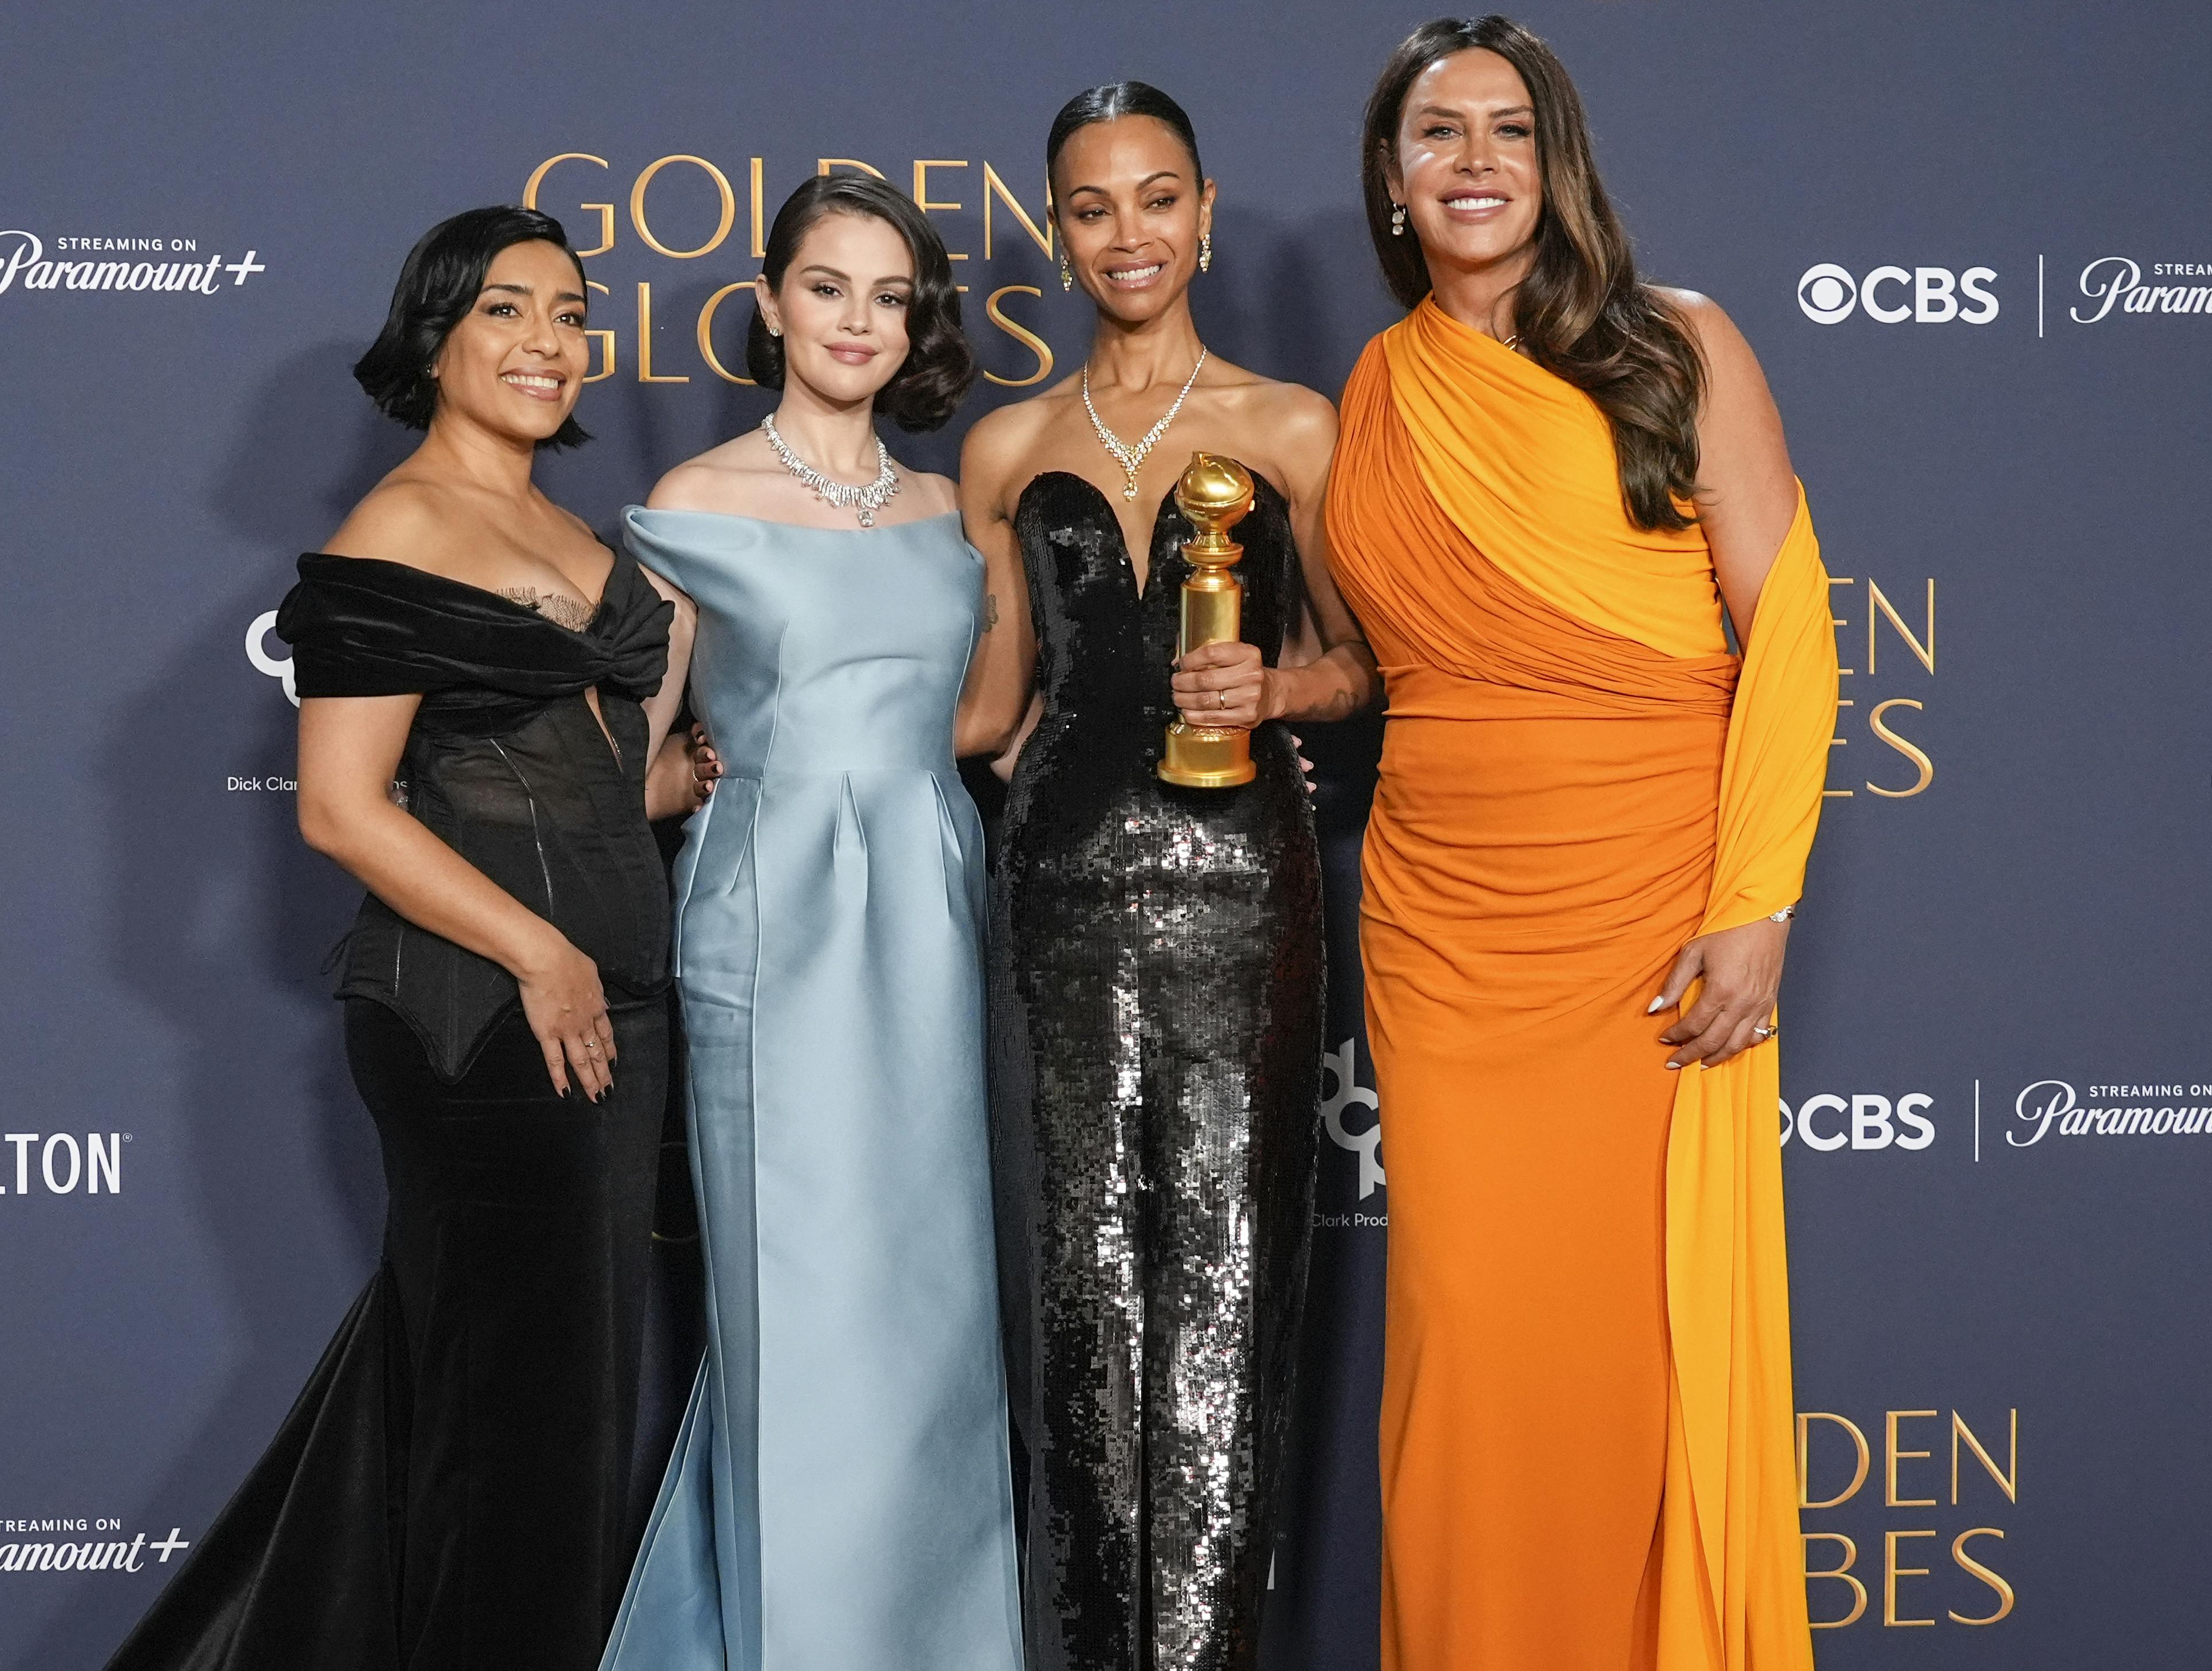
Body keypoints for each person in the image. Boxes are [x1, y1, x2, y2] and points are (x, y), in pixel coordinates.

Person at [102, 205, 714, 1671]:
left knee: (532, 1407)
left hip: (610, 1007)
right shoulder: (397, 527)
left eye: (569, 313)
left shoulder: (571, 531)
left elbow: (598, 779)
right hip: (482, 1019)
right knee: (525, 1430)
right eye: (507, 311)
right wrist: (538, 950)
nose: (548, 343)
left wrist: (681, 780)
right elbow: (339, 807)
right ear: (436, 336)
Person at [1325, 17, 1836, 1671]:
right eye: (1433, 134)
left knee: (1629, 1348)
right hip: (1443, 930)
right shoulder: (1381, 384)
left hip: (1645, 911)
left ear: (1555, 165)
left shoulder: (1675, 343)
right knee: (1466, 1344)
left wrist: (1754, 898)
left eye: (1504, 131)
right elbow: (1398, 659)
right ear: (1390, 182)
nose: (1470, 161)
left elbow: (1792, 630)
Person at [959, 82, 1375, 1671]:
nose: (1123, 232)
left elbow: (1358, 664)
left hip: (1240, 879)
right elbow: (989, 711)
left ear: (1202, 213)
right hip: (1053, 886)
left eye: (1153, 198)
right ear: (1057, 231)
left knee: (1224, 1276)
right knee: (1071, 1290)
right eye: (1088, 205)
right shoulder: (1005, 444)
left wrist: (1273, 689)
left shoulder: (1291, 426)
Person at [599, 173, 1029, 1671]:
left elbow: (988, 722)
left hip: (931, 928)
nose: (857, 320)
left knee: (930, 1317)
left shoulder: (947, 510)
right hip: (766, 928)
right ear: (771, 301)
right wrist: (683, 782)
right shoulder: (700, 505)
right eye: (828, 287)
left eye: (887, 294)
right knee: (798, 1303)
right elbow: (623, 758)